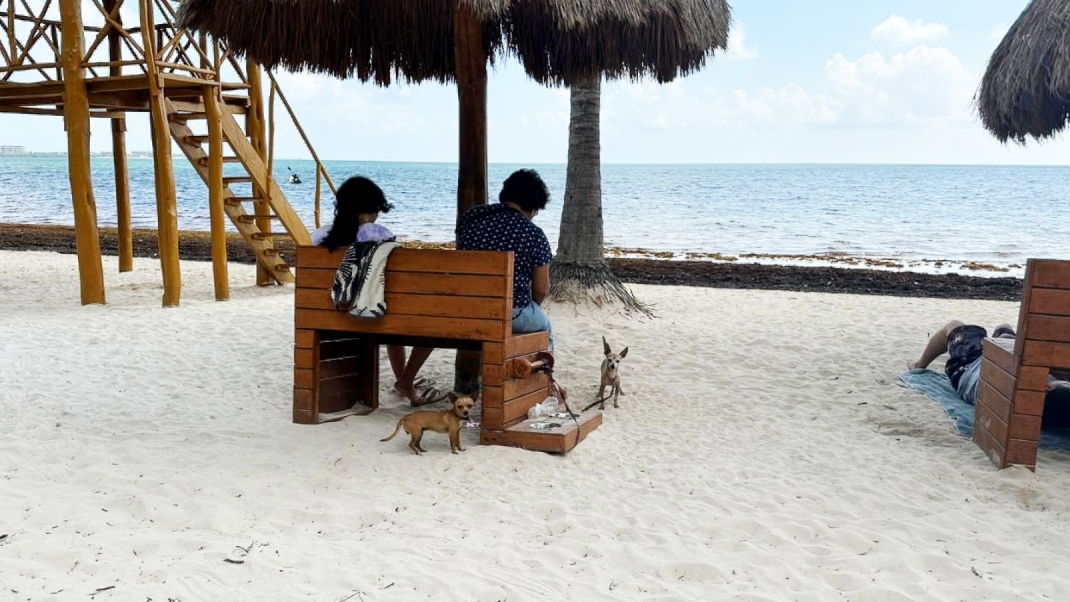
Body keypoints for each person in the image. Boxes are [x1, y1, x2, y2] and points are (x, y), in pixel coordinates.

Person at [313, 176, 442, 406]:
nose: (375, 216)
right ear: (365, 211)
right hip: (371, 315)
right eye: (375, 211)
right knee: (429, 328)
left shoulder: (320, 236)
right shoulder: (376, 234)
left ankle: (404, 381)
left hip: (327, 316)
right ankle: (405, 380)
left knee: (394, 324)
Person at [457, 169, 555, 349]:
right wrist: (532, 305)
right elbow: (541, 289)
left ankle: (406, 377)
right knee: (545, 326)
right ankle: (543, 376)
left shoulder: (471, 217)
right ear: (533, 205)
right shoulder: (533, 234)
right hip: (508, 312)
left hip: (464, 307)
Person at [910, 320, 1070, 405]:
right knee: (1004, 328)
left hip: (971, 367)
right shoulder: (1053, 398)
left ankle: (919, 364)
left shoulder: (1030, 387)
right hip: (990, 367)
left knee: (954, 325)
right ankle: (999, 337)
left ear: (1047, 388)